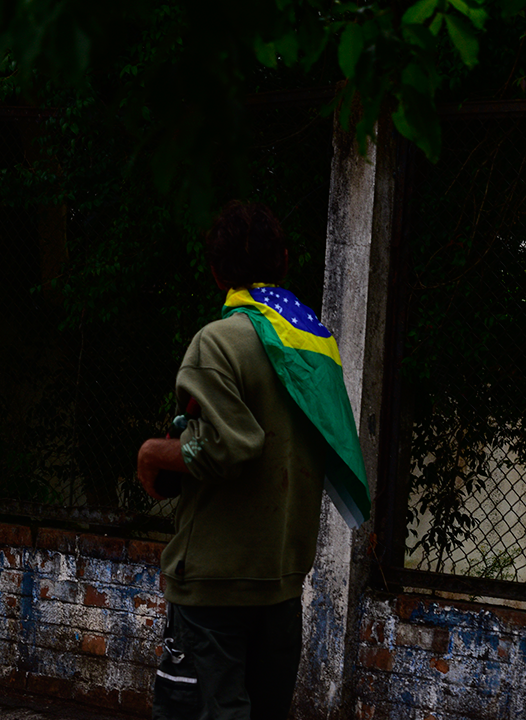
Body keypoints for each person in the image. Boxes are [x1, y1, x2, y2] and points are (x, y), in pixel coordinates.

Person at [137, 201, 368, 720]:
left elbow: (228, 446)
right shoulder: (314, 347)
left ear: (217, 273)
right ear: (283, 261)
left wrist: (152, 453)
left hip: (213, 588)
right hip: (280, 584)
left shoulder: (218, 342)